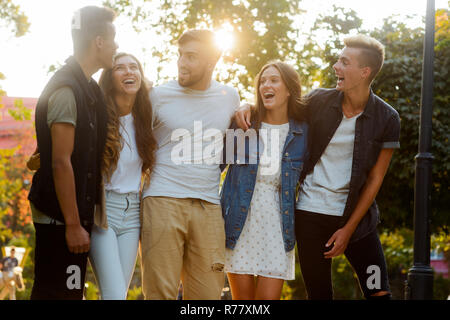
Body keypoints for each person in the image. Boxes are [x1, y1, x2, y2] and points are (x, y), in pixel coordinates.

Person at [235, 34, 400, 300]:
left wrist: (348, 230)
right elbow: (279, 108)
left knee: (378, 291)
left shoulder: (387, 118)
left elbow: (375, 179)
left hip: (357, 223)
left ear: (364, 72)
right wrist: (248, 105)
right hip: (310, 216)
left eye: (344, 62)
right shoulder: (318, 101)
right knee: (320, 295)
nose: (336, 66)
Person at [140, 29, 240, 300]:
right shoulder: (158, 96)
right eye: (181, 55)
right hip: (162, 201)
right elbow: (137, 149)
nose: (182, 62)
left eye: (191, 56)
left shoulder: (229, 97)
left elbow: (233, 144)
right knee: (160, 294)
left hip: (208, 205)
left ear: (211, 62)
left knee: (208, 297)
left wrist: (248, 108)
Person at [27, 6, 117, 300]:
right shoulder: (67, 89)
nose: (116, 46)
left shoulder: (88, 87)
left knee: (69, 294)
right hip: (59, 218)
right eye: (113, 38)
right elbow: (60, 162)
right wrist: (74, 225)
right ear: (99, 42)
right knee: (55, 295)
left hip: (71, 217)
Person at [220, 62, 308, 300]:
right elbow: (215, 166)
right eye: (263, 81)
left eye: (274, 80)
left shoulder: (302, 132)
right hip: (239, 221)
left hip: (278, 224)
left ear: (289, 89)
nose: (266, 85)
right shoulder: (244, 123)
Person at [88, 53, 156, 300]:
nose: (129, 72)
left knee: (119, 294)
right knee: (115, 295)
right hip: (104, 210)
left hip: (133, 213)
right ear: (109, 77)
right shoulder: (97, 117)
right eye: (120, 68)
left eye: (134, 67)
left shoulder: (146, 118)